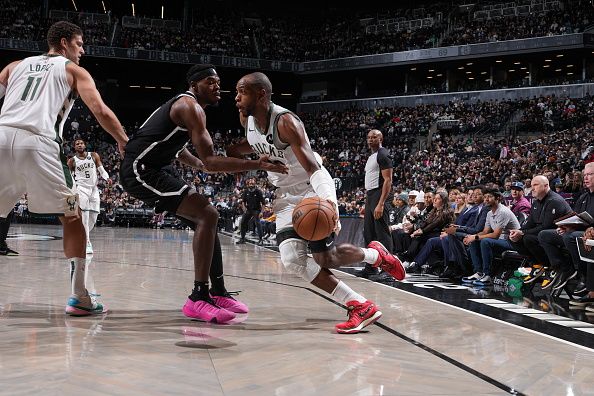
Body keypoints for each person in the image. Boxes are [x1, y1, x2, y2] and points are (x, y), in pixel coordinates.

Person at [228, 72, 405, 334]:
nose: (236, 97)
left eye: (242, 91)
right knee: (293, 261)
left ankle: (376, 256)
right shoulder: (246, 118)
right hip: (284, 195)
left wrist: (329, 203)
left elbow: (314, 168)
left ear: (261, 94)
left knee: (326, 258)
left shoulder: (286, 122)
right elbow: (248, 145)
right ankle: (360, 300)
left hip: (311, 190)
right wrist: (242, 159)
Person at [119, 64, 287, 324]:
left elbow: (178, 149)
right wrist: (258, 163)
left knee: (208, 219)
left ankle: (217, 291)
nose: (217, 86)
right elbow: (210, 160)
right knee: (208, 214)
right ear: (194, 85)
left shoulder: (189, 109)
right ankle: (199, 297)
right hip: (139, 170)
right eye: (210, 82)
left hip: (155, 167)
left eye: (218, 82)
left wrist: (197, 164)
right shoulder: (190, 107)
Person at [0, 21, 128, 315]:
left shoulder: (14, 66)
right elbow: (100, 110)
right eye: (80, 44)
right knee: (73, 215)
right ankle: (81, 297)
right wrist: (122, 140)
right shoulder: (74, 71)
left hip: (2, 137)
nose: (83, 50)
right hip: (39, 144)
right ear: (64, 42)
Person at [67, 138, 110, 302]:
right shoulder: (72, 160)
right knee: (84, 216)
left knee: (93, 215)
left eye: (81, 143)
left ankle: (86, 237)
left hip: (94, 189)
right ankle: (87, 242)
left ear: (85, 145)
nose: (79, 145)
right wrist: (71, 190)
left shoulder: (93, 155)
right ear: (74, 147)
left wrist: (106, 178)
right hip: (81, 188)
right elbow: (69, 176)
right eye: (76, 143)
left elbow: (101, 168)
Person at [509, 175, 572, 285]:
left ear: (546, 185)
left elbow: (547, 227)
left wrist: (523, 232)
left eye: (536, 185)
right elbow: (530, 223)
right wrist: (518, 232)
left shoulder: (554, 200)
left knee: (529, 238)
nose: (532, 188)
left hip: (559, 236)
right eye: (532, 185)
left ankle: (549, 266)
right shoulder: (536, 202)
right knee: (513, 239)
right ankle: (536, 265)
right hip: (543, 235)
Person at [463, 188, 520, 286]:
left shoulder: (503, 211)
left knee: (485, 241)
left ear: (498, 198)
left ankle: (487, 274)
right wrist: (472, 236)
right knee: (474, 240)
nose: (486, 199)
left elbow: (495, 235)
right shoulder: (489, 213)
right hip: (500, 240)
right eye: (485, 197)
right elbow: (485, 231)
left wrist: (476, 237)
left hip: (512, 242)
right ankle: (478, 272)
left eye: (489, 197)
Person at [360, 129, 394, 278]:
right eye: (368, 137)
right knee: (369, 233)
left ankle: (389, 270)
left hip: (380, 194)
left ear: (381, 138)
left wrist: (380, 203)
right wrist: (367, 203)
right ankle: (372, 266)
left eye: (374, 137)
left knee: (382, 233)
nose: (370, 139)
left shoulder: (383, 154)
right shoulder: (372, 156)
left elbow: (388, 180)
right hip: (371, 195)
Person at [237, 177, 265, 245]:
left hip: (256, 209)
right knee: (243, 222)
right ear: (248, 184)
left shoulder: (258, 191)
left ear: (255, 183)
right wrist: (244, 208)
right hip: (249, 209)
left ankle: (261, 239)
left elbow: (263, 203)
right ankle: (242, 238)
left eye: (252, 183)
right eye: (250, 183)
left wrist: (261, 212)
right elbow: (243, 201)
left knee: (257, 222)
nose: (251, 184)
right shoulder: (246, 191)